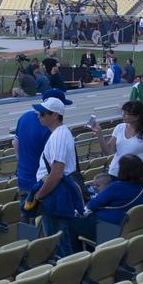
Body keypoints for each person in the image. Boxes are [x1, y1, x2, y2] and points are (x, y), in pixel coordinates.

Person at [29, 97, 83, 256]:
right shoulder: (61, 133)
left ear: (54, 115)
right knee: (60, 240)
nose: (39, 116)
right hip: (57, 192)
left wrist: (39, 196)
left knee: (57, 243)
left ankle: (65, 278)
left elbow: (57, 173)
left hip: (55, 195)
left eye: (43, 113)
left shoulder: (59, 135)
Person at [82, 154, 143, 225]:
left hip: (111, 228)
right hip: (139, 225)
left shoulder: (117, 187)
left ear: (122, 171)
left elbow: (92, 205)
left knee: (73, 223)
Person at [94, 100, 143, 180]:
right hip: (115, 173)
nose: (123, 115)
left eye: (126, 113)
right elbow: (109, 151)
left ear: (137, 117)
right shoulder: (119, 127)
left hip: (135, 176)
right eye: (123, 112)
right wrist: (99, 135)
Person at [12, 96, 54, 192]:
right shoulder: (48, 127)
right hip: (41, 184)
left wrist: (22, 163)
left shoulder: (24, 117)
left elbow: (15, 143)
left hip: (23, 178)